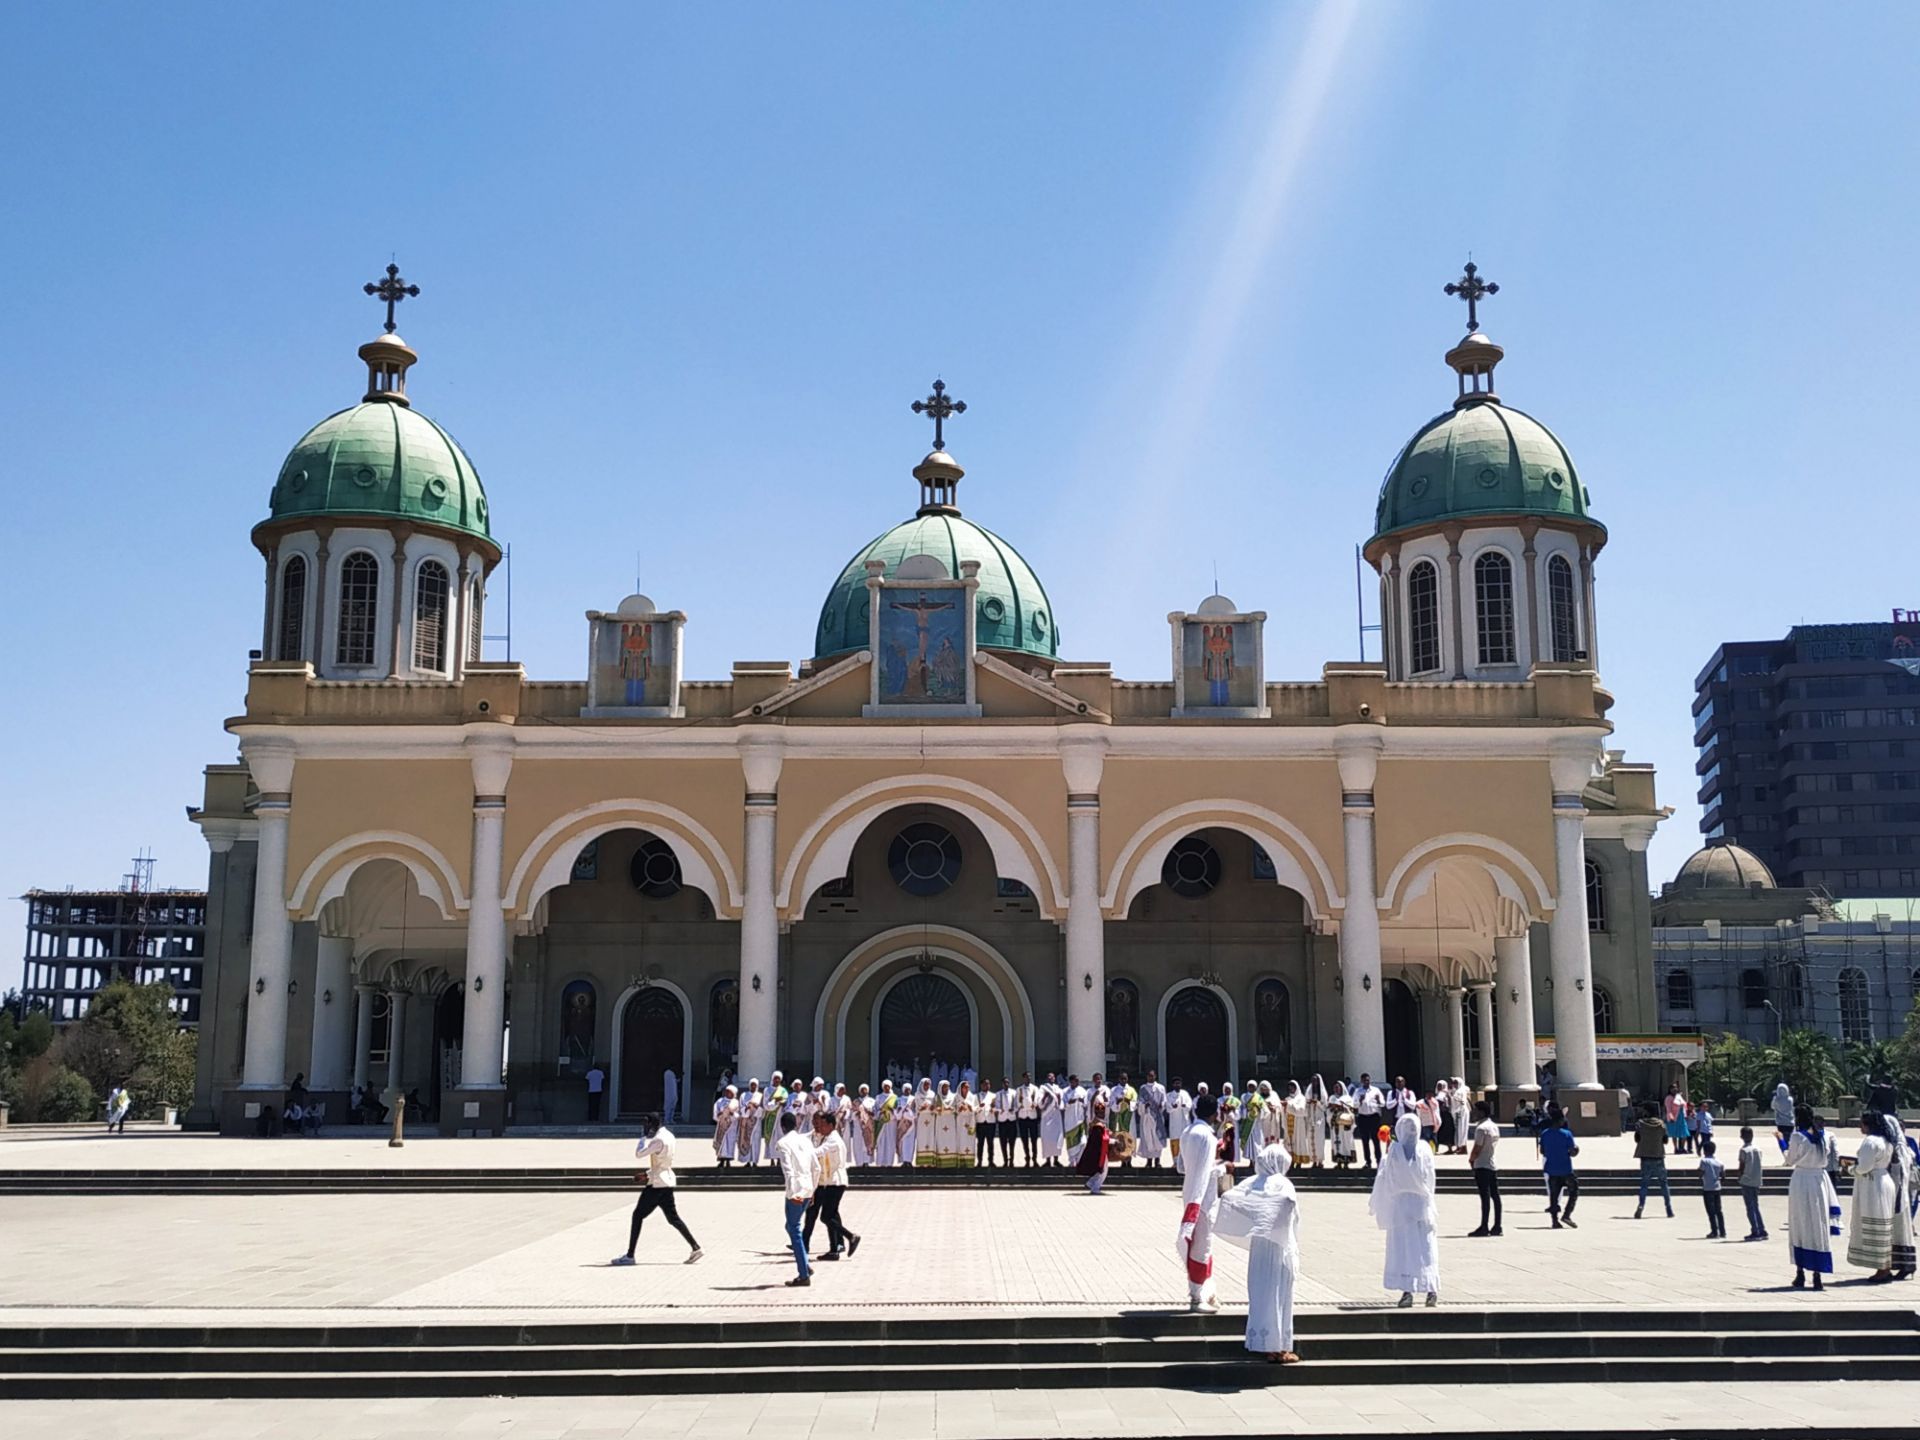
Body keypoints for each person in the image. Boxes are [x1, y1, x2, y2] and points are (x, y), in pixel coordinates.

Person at [1216, 1142, 1301, 1363]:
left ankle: (1265, 1344)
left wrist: (1258, 1219)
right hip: (1279, 1246)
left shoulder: (1252, 1183)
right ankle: (1279, 1347)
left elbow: (1229, 1198)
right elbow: (1288, 1205)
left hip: (1260, 1247)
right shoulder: (1283, 1184)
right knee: (1280, 1294)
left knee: (1262, 1294)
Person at [612, 1113, 703, 1267]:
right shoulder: (670, 1135)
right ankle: (695, 1247)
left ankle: (630, 1255)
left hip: (657, 1184)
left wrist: (642, 1138)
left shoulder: (657, 1139)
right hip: (666, 1180)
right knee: (673, 1218)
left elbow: (639, 1154)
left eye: (646, 1124)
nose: (645, 1127)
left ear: (652, 1124)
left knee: (637, 1215)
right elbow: (662, 1162)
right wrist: (646, 1174)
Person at [1371, 1113, 1440, 1307]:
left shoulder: (1394, 1150)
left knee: (1404, 1249)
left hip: (1401, 1206)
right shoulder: (1425, 1149)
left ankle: (1407, 1291)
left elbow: (1389, 1178)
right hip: (1421, 1204)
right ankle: (1430, 1290)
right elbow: (1431, 1178)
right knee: (1425, 1248)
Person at [1782, 1104, 1839, 1290]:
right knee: (1818, 1223)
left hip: (1802, 1180)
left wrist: (1781, 1144)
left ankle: (1800, 1273)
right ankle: (1817, 1275)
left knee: (1800, 1223)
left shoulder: (1798, 1136)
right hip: (1819, 1180)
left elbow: (1790, 1160)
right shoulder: (1825, 1136)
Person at [1175, 1094, 1222, 1313]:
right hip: (1203, 1198)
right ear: (1214, 1113)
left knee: (1202, 1245)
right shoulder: (1208, 1136)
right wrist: (1222, 1168)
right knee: (1202, 1246)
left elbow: (1181, 1167)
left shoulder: (1187, 1132)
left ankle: (1206, 1290)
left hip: (1190, 1192)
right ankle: (1196, 1296)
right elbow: (1204, 1172)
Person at [802, 1111, 863, 1262]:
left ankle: (850, 1236)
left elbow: (818, 1152)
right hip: (829, 1182)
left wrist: (801, 1153)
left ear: (830, 1125)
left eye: (823, 1124)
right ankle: (834, 1249)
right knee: (832, 1215)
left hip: (835, 1182)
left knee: (826, 1216)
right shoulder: (828, 1138)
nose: (820, 1127)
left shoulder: (833, 1140)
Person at [1847, 1111, 1897, 1281]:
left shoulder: (1871, 1141)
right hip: (1884, 1180)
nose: (1860, 1126)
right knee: (1884, 1224)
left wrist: (1850, 1169)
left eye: (1862, 1123)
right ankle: (1885, 1265)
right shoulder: (1886, 1140)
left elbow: (1864, 1167)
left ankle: (1882, 1268)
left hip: (1873, 1184)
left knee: (1875, 1223)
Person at [775, 1111, 817, 1288]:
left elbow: (788, 1170)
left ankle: (803, 1273)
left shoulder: (783, 1143)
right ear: (796, 1125)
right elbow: (817, 1167)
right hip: (807, 1187)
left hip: (796, 1190)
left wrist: (794, 1193)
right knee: (791, 1226)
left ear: (782, 1127)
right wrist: (812, 1189)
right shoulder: (805, 1141)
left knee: (794, 1229)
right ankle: (805, 1263)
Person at [1539, 1103, 1579, 1228]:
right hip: (1565, 1169)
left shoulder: (1545, 1133)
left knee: (1554, 1196)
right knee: (1574, 1191)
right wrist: (1576, 1150)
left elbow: (1542, 1151)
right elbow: (1572, 1152)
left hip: (1551, 1169)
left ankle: (1554, 1221)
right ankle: (1567, 1215)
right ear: (1560, 1120)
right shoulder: (1566, 1134)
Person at [1633, 1101, 1674, 1219]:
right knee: (1663, 1184)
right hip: (1659, 1156)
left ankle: (1641, 1205)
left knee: (1644, 1184)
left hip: (1645, 1157)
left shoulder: (1640, 1124)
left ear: (1647, 1111)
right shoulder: (1661, 1124)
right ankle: (1669, 1208)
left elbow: (1637, 1139)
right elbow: (1665, 1140)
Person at [1466, 1100, 1502, 1237]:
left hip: (1481, 1164)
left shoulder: (1481, 1129)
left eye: (1475, 1110)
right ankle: (1497, 1225)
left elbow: (1477, 1148)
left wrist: (1471, 1159)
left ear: (1481, 1112)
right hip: (1491, 1163)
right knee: (1495, 1196)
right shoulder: (1493, 1126)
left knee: (1485, 1197)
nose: (1473, 1112)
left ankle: (1484, 1225)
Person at [1888, 1113, 1917, 1280]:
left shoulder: (1898, 1149)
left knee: (1900, 1231)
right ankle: (1903, 1264)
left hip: (1898, 1194)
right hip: (1901, 1194)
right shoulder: (1903, 1146)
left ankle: (1906, 1265)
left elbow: (1898, 1172)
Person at [1736, 1125, 1769, 1241]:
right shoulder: (1758, 1149)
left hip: (1747, 1180)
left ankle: (1755, 1230)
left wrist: (1739, 1176)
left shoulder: (1743, 1150)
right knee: (1755, 1206)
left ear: (1742, 1137)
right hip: (1757, 1180)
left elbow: (1742, 1165)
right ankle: (1762, 1229)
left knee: (1750, 1208)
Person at [1077, 1100, 1111, 1195]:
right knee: (1103, 1171)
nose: (1103, 1114)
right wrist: (1114, 1141)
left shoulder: (1098, 1123)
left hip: (1099, 1150)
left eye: (1103, 1112)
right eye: (1101, 1112)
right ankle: (1095, 1188)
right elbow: (1103, 1139)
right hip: (1099, 1151)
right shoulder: (1097, 1125)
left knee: (1101, 1170)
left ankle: (1091, 1182)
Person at [1137, 1070, 1167, 1170]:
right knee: (1148, 1138)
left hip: (1157, 1117)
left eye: (1152, 1076)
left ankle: (1157, 1161)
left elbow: (1164, 1100)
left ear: (1155, 1076)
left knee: (1157, 1138)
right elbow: (1140, 1102)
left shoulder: (1160, 1088)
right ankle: (1149, 1161)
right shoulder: (1143, 1088)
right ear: (1147, 1077)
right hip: (1147, 1116)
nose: (1151, 1077)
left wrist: (1161, 1105)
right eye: (1149, 1076)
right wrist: (1145, 1105)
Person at [1354, 1073, 1384, 1169]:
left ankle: (1379, 1161)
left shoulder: (1376, 1090)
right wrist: (1360, 1101)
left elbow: (1383, 1103)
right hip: (1363, 1117)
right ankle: (1368, 1161)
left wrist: (1379, 1100)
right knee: (1365, 1141)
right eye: (1364, 1080)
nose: (1366, 1082)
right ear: (1361, 1081)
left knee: (1376, 1140)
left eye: (1368, 1080)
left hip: (1374, 1117)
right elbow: (1354, 1105)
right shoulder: (1358, 1091)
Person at [1699, 1137, 1727, 1239]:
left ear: (1704, 1151)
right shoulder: (1719, 1162)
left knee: (1710, 1211)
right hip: (1717, 1188)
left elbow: (1701, 1173)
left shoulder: (1704, 1161)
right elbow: (1723, 1175)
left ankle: (1714, 1231)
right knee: (1719, 1210)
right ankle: (1723, 1231)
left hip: (1707, 1188)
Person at [1164, 1078, 1193, 1174]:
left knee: (1184, 1142)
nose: (1177, 1085)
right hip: (1174, 1123)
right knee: (1175, 1142)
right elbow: (1167, 1107)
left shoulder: (1185, 1094)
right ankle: (1175, 1162)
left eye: (1179, 1083)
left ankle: (1185, 1162)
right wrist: (1173, 1107)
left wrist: (1185, 1106)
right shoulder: (1169, 1095)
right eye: (1176, 1083)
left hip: (1184, 1122)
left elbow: (1190, 1105)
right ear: (1173, 1085)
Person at [1038, 1073, 1065, 1167]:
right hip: (1046, 1115)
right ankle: (1048, 1161)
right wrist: (1045, 1097)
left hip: (1056, 1116)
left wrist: (1059, 1099)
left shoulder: (1058, 1089)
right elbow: (1039, 1104)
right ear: (1047, 1078)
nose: (1051, 1078)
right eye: (1049, 1077)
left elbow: (1061, 1105)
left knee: (1057, 1138)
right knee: (1047, 1138)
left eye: (1053, 1077)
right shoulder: (1042, 1088)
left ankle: (1056, 1160)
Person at [1063, 1075, 1089, 1166]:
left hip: (1080, 1120)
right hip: (1069, 1121)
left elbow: (1086, 1105)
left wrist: (1082, 1102)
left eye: (1078, 1080)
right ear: (1071, 1081)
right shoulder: (1065, 1091)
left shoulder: (1082, 1091)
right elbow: (1062, 1105)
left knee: (1083, 1142)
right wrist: (1069, 1102)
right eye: (1075, 1080)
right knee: (1071, 1143)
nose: (1077, 1082)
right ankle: (1072, 1160)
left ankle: (1079, 1159)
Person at [1305, 1075, 1331, 1168]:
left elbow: (1324, 1107)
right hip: (1310, 1118)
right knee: (1311, 1139)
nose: (1314, 1083)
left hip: (1319, 1119)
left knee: (1319, 1140)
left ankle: (1320, 1161)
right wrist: (1308, 1103)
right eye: (1313, 1081)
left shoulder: (1323, 1093)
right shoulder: (1309, 1091)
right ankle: (1313, 1160)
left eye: (1316, 1081)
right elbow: (1305, 1104)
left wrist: (1317, 1103)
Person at [1016, 1073, 1042, 1168]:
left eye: (1029, 1077)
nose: (1028, 1078)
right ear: (1023, 1078)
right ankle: (1027, 1158)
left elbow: (1037, 1099)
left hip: (1032, 1116)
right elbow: (1017, 1102)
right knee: (1024, 1139)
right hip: (1023, 1116)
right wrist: (1020, 1104)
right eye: (1026, 1077)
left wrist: (1034, 1104)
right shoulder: (1019, 1089)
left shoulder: (1035, 1088)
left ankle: (1034, 1159)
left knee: (1034, 1139)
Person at [738, 1080, 765, 1165]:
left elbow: (763, 1109)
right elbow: (741, 1107)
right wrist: (747, 1108)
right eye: (752, 1085)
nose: (753, 1086)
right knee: (746, 1140)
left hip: (756, 1121)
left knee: (755, 1141)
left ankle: (754, 1161)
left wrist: (756, 1107)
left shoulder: (760, 1096)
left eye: (755, 1085)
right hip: (746, 1122)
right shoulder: (744, 1095)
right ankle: (747, 1161)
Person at [1328, 1090, 1357, 1168]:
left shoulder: (1348, 1099)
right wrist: (1333, 1108)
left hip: (1345, 1126)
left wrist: (1343, 1106)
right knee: (1337, 1144)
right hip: (1336, 1126)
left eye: (1338, 1087)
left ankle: (1346, 1162)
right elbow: (1329, 1111)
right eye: (1335, 1087)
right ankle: (1339, 1162)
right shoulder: (1332, 1098)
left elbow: (1351, 1111)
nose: (1336, 1088)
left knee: (1346, 1143)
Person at [712, 1086, 739, 1166]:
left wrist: (732, 1114)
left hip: (731, 1127)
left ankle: (728, 1161)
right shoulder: (720, 1101)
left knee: (729, 1143)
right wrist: (719, 1115)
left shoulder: (736, 1102)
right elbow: (715, 1113)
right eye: (727, 1091)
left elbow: (739, 1115)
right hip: (722, 1126)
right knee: (722, 1144)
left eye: (730, 1091)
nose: (727, 1093)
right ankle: (722, 1160)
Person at [995, 1079, 1018, 1167]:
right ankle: (1005, 1160)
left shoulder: (1014, 1092)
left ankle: (1011, 1160)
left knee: (1012, 1142)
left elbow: (1017, 1105)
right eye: (1005, 1083)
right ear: (1002, 1084)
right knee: (1003, 1142)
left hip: (1011, 1120)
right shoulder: (998, 1094)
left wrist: (1014, 1109)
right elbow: (996, 1106)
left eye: (1008, 1082)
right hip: (1002, 1120)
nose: (1006, 1084)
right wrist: (1000, 1110)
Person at [1448, 1078, 1471, 1159]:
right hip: (1459, 1113)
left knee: (1462, 1130)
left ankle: (1462, 1147)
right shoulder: (1458, 1091)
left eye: (1456, 1083)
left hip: (1461, 1113)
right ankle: (1460, 1146)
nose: (1454, 1084)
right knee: (1460, 1131)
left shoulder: (1460, 1091)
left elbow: (1459, 1101)